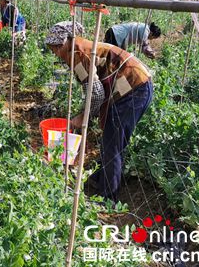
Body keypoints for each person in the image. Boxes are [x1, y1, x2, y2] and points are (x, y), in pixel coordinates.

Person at [45, 21, 153, 203]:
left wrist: (82, 117)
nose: (55, 52)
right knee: (112, 140)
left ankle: (108, 198)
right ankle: (99, 178)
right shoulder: (79, 46)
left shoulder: (76, 54)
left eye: (56, 48)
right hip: (135, 85)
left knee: (113, 143)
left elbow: (96, 93)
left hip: (133, 89)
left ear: (64, 42)